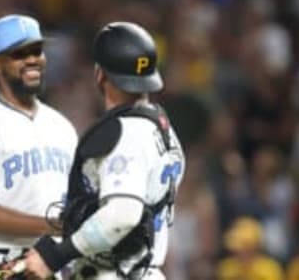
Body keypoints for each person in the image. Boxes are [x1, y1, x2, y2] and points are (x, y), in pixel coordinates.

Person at [23, 22, 186, 280]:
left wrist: (55, 256)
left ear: (100, 73)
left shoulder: (125, 134)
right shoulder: (163, 128)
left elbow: (122, 215)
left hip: (115, 273)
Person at [0, 14, 78, 280]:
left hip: (46, 265)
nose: (32, 60)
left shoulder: (62, 126)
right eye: (19, 54)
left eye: (37, 51)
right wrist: (52, 227)